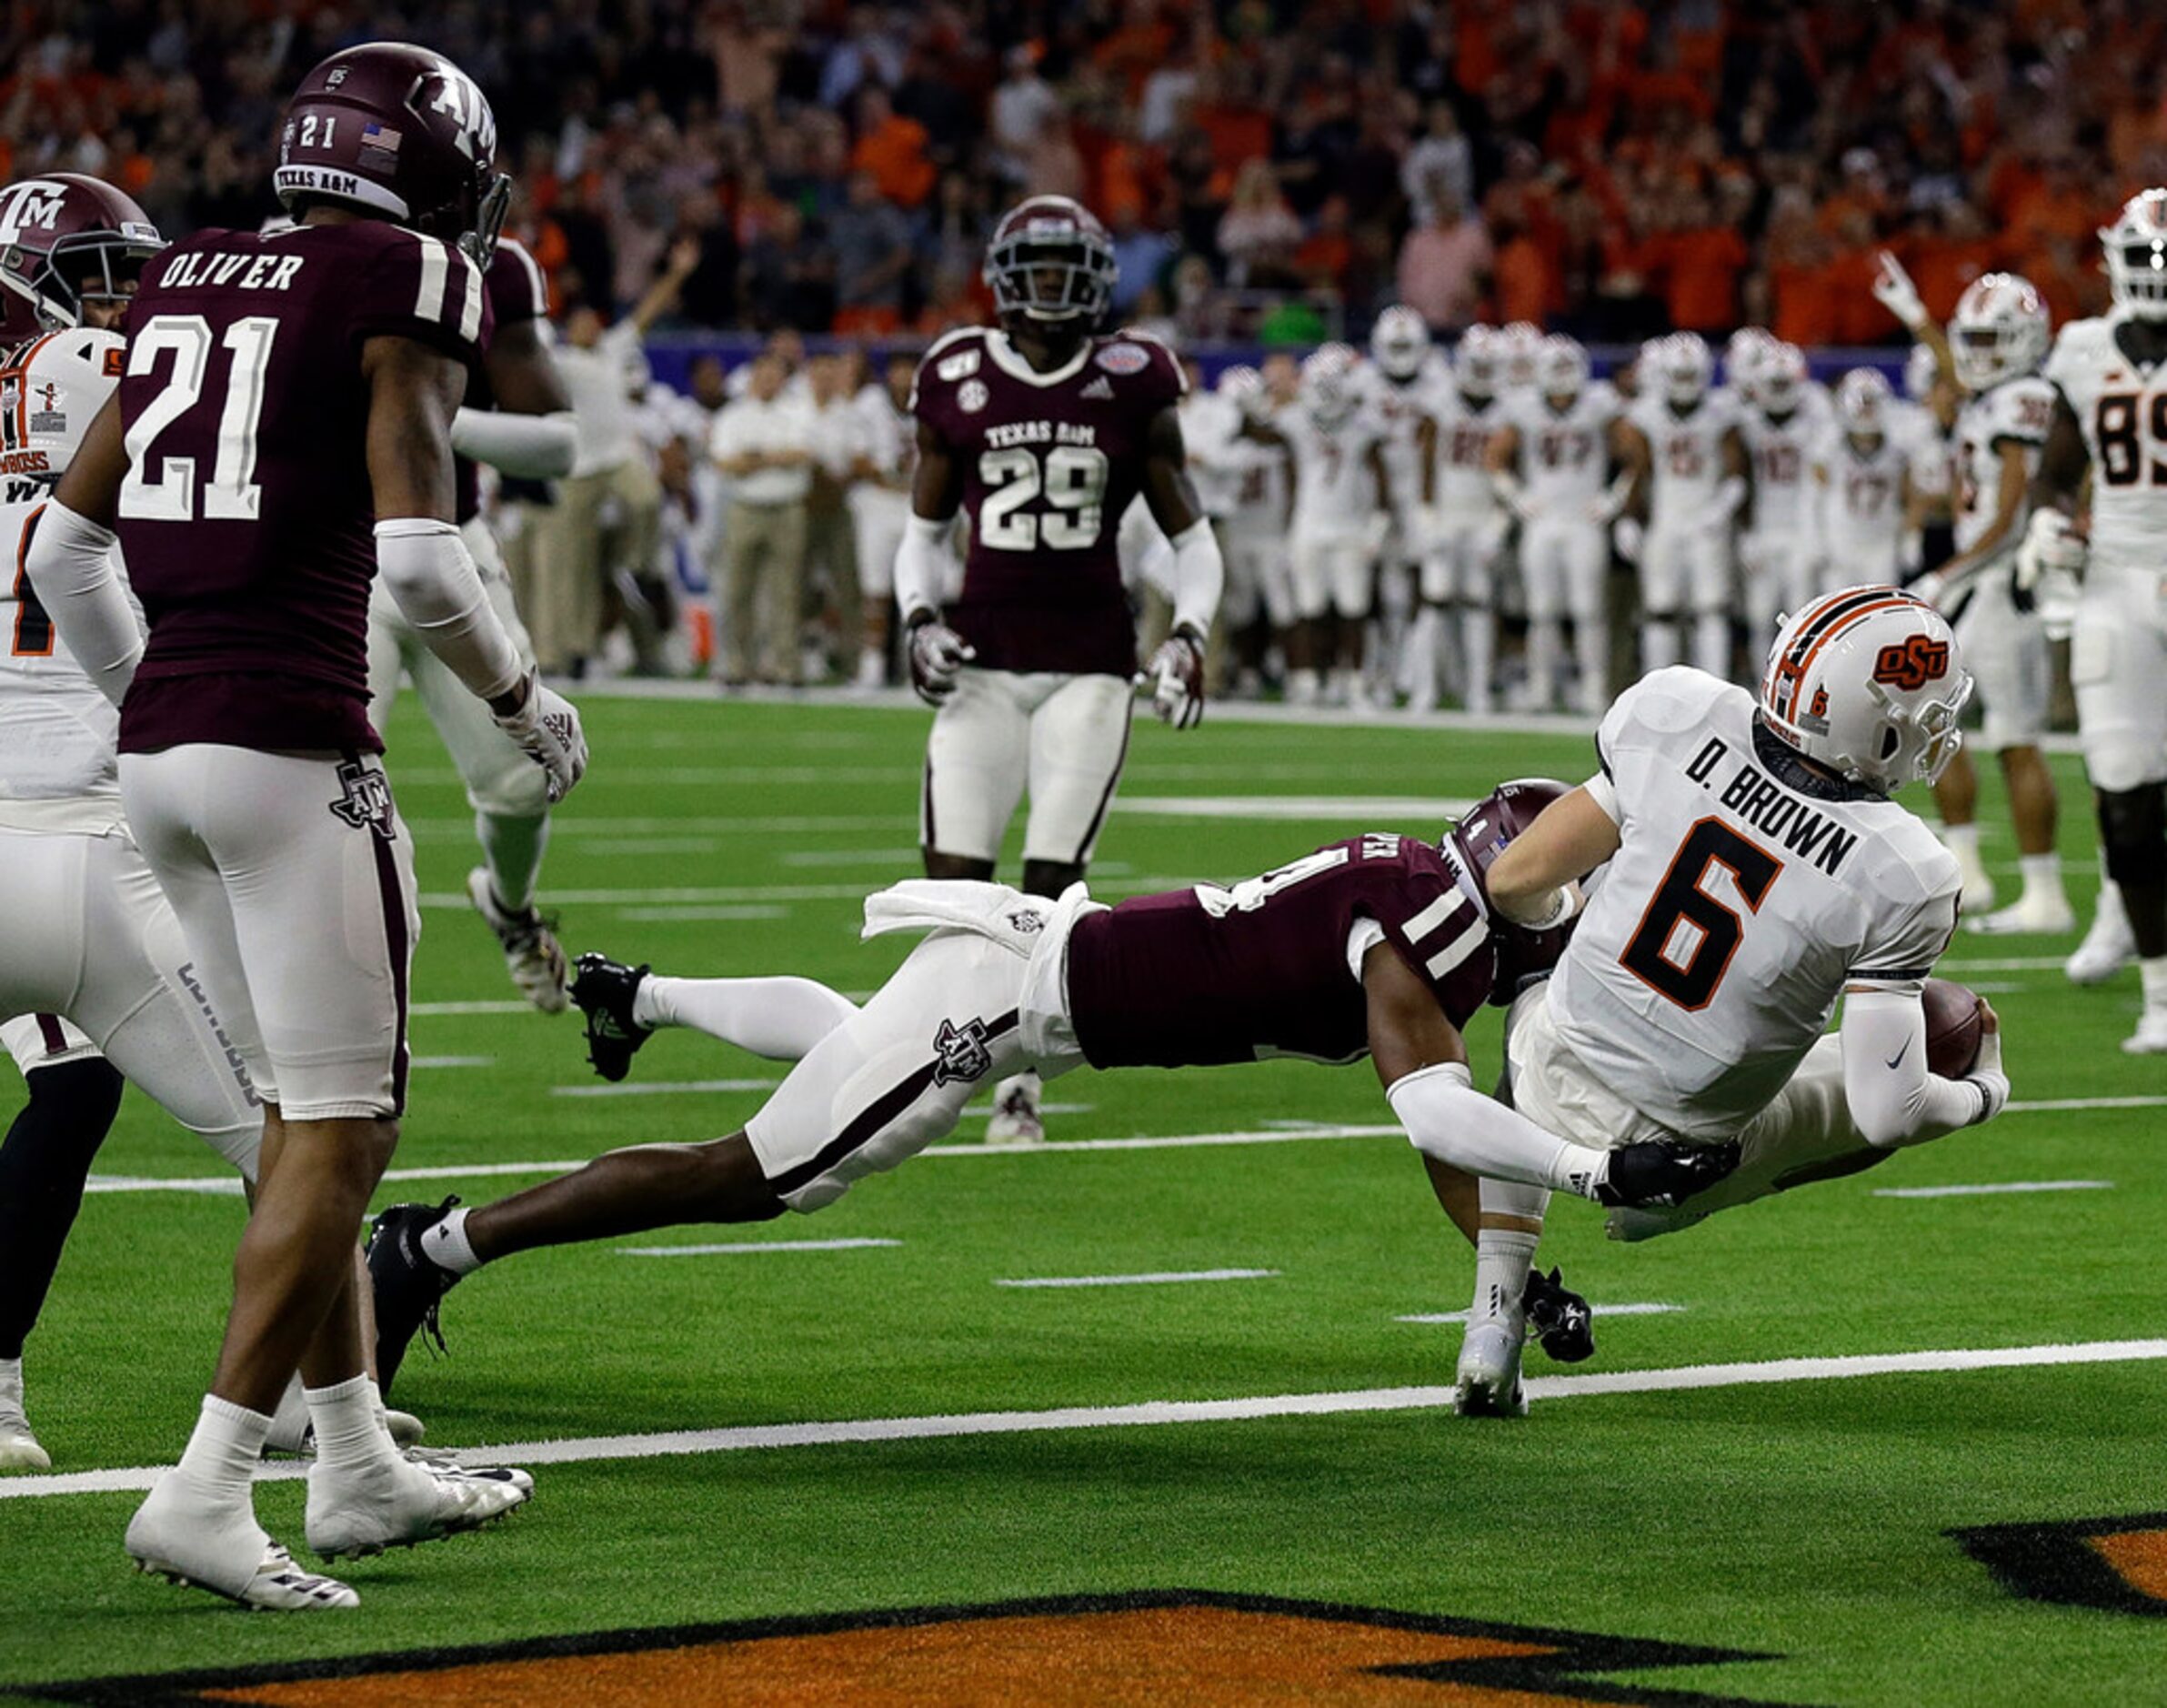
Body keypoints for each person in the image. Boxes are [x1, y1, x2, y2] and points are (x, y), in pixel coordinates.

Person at [27, 43, 586, 1610]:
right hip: (290, 752)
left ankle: (351, 1460)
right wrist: (524, 698)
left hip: (157, 760)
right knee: (343, 1130)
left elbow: (67, 557)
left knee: (291, 1114)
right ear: (432, 171)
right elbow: (420, 559)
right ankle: (207, 1488)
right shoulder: (403, 274)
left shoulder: (187, 268)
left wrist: (165, 700)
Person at [366, 780, 1736, 1397]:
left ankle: (640, 993)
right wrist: (1590, 1172)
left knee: (854, 1056)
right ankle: (432, 1246)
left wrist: (1501, 1305)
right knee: (768, 1170)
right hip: (1010, 1001)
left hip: (1025, 980)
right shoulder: (1437, 926)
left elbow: (1441, 1116)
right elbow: (1431, 1111)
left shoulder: (1421, 889)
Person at [1421, 588, 2009, 1414]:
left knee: (1535, 992)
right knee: (1933, 1050)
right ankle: (1676, 1207)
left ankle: (1492, 1319)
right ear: (1872, 722)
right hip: (1680, 1155)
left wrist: (1593, 931)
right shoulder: (1903, 870)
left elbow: (1515, 880)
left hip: (1547, 1066)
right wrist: (1982, 1095)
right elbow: (1889, 1110)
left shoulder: (1677, 711)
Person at [0, 176, 264, 1472]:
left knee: (82, 1083)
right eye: (95, 271)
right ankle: (334, 1421)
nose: (120, 298)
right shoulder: (109, 376)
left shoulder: (41, 407)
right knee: (285, 1127)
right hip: (91, 822)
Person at [895, 196, 1222, 1144]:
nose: (1048, 286)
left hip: (1089, 664)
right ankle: (930, 1066)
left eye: (1062, 267)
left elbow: (1191, 541)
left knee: (1047, 889)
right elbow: (919, 537)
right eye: (1032, 268)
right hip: (982, 663)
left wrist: (1190, 632)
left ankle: (1019, 1087)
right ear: (1003, 277)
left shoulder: (1132, 378)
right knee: (953, 886)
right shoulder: (954, 373)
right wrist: (917, 619)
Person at [366, 231, 577, 1010]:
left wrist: (418, 416)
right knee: (333, 777)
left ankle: (511, 911)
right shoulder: (297, 256)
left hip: (451, 542)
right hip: (331, 552)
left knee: (524, 779)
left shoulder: (493, 269)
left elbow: (558, 442)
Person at [2022, 188, 2167, 1050]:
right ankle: (2157, 990)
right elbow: (2055, 470)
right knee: (2121, 787)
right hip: (2114, 577)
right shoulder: (2080, 351)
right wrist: (2048, 517)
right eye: (2145, 257)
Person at [1909, 273, 2072, 935]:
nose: (1976, 352)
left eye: (1990, 339)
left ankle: (2044, 894)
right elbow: (1961, 373)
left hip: (2004, 582)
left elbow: (2010, 513)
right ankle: (1966, 871)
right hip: (1979, 583)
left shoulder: (2025, 398)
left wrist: (1947, 572)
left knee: (2013, 739)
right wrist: (1918, 316)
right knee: (1934, 725)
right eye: (1969, 339)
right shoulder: (1993, 394)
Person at [527, 238, 697, 677]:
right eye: (581, 322)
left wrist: (677, 272)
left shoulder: (613, 351)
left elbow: (648, 310)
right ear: (571, 329)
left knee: (644, 499)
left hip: (618, 457)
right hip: (578, 467)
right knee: (572, 566)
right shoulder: (560, 360)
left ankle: (640, 566)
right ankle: (576, 650)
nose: (590, 328)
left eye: (593, 322)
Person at [1486, 334, 1636, 713]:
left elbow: (1635, 453)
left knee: (1588, 610)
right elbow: (1494, 457)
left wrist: (1614, 498)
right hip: (1544, 520)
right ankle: (1541, 687)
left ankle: (1592, 687)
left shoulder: (1599, 403)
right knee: (1542, 611)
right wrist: (1515, 496)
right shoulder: (1525, 407)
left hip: (1584, 519)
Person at [1240, 343, 1386, 707]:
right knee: (1310, 609)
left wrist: (1377, 526)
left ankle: (1353, 682)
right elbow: (1259, 432)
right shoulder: (1297, 419)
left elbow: (1381, 476)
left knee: (1353, 610)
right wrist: (1248, 404)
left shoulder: (1362, 424)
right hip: (1310, 526)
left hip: (1350, 527)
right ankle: (1308, 681)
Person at [1619, 333, 1749, 680]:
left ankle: (1716, 690)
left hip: (1707, 522)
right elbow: (1638, 471)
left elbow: (1737, 475)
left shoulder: (1721, 412)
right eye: (1680, 375)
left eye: (1691, 375)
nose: (1686, 384)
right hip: (1667, 518)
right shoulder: (1646, 415)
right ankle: (1656, 691)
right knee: (1659, 609)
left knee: (1711, 610)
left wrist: (1719, 511)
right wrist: (1629, 518)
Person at [1410, 327, 1511, 715]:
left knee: (1477, 603)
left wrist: (1500, 523)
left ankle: (1477, 691)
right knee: (1434, 600)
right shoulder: (1440, 404)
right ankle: (1425, 691)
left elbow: (1509, 467)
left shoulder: (1507, 408)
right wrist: (1425, 513)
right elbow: (1426, 460)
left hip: (1483, 515)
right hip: (1447, 514)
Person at [708, 348, 815, 686]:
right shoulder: (734, 415)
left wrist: (754, 458)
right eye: (763, 376)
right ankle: (736, 664)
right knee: (738, 589)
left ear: (783, 380)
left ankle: (785, 665)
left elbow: (802, 454)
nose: (769, 382)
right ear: (753, 378)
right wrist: (773, 458)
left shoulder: (798, 412)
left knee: (786, 591)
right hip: (745, 508)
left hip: (787, 508)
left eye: (774, 376)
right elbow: (725, 463)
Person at [1735, 341, 1831, 639]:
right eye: (1772, 383)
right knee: (1759, 614)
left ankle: (1797, 683)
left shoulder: (1816, 420)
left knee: (1800, 615)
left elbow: (1822, 483)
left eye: (1783, 382)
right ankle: (1760, 682)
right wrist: (1745, 533)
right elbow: (1741, 480)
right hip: (1763, 527)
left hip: (1801, 528)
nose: (1778, 390)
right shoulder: (1746, 421)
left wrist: (1818, 533)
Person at [1811, 369, 1919, 593]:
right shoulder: (1830, 444)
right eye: (1861, 402)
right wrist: (1816, 540)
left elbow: (1910, 497)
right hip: (1840, 541)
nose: (1865, 410)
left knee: (1881, 612)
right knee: (1837, 614)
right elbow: (1814, 497)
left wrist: (1911, 535)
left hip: (1882, 543)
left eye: (1871, 403)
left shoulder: (1899, 445)